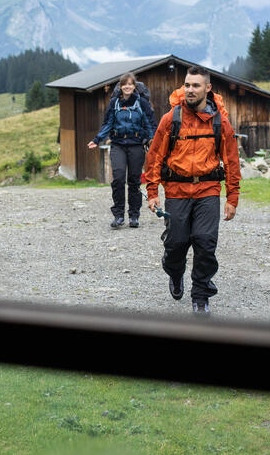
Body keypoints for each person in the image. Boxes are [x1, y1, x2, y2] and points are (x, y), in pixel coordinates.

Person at [144, 66, 241, 315]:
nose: (189, 90)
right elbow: (155, 156)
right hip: (177, 191)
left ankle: (200, 296)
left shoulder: (221, 121)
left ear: (208, 88)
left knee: (206, 243)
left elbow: (231, 160)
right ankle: (175, 273)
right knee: (176, 244)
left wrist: (232, 197)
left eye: (195, 85)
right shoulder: (171, 119)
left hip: (208, 190)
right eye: (187, 85)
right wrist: (152, 191)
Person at [88, 73, 155, 229]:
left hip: (136, 145)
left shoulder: (142, 103)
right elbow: (108, 124)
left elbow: (151, 123)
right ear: (120, 86)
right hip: (118, 144)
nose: (127, 87)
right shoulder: (114, 103)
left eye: (130, 84)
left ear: (134, 86)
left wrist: (153, 141)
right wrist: (97, 140)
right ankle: (118, 215)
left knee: (134, 180)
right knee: (118, 179)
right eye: (124, 84)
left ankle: (134, 216)